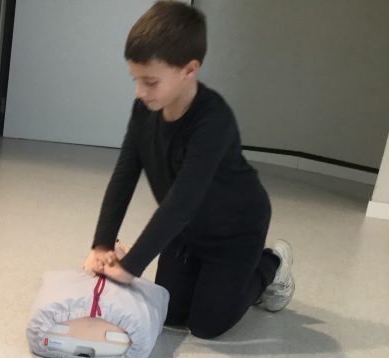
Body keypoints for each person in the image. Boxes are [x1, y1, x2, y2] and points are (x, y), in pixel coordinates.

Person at [84, 0, 295, 339]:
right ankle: (208, 277)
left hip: (235, 231)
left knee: (207, 326)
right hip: (187, 231)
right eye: (135, 80)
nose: (140, 92)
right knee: (170, 314)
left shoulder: (213, 120)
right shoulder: (144, 110)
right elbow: (124, 175)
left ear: (189, 70)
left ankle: (272, 263)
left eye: (150, 81)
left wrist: (131, 266)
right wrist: (102, 244)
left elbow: (182, 201)